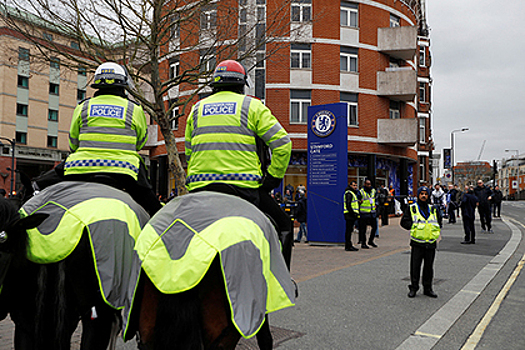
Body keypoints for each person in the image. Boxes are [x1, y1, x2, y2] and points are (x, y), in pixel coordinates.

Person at [184, 59, 293, 265]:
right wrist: (272, 178)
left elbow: (189, 151)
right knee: (284, 224)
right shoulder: (252, 106)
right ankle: (284, 283)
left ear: (214, 86)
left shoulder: (196, 109)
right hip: (243, 189)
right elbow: (283, 144)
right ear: (242, 85)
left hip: (200, 188)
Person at [35, 62, 162, 215]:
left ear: (97, 84)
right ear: (123, 84)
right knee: (152, 206)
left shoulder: (83, 106)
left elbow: (73, 143)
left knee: (38, 185)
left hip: (81, 165)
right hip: (125, 169)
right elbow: (140, 142)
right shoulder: (134, 108)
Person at [400, 186, 442, 298]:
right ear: (418, 195)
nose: (424, 196)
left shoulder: (433, 208)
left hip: (431, 243)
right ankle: (413, 288)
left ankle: (428, 289)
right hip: (417, 243)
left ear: (428, 196)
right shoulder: (412, 208)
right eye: (421, 194)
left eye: (426, 194)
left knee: (429, 267)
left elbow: (439, 222)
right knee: (415, 267)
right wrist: (414, 226)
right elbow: (404, 222)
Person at [358, 179, 378, 249]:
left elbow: (375, 198)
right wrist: (359, 202)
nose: (369, 185)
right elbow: (357, 200)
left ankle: (370, 241)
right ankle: (363, 243)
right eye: (367, 184)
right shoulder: (361, 192)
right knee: (363, 229)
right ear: (364, 184)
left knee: (375, 227)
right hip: (364, 213)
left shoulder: (373, 191)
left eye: (370, 184)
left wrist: (376, 205)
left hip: (372, 212)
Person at [343, 181, 360, 251]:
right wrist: (353, 213)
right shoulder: (349, 193)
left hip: (351, 214)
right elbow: (348, 204)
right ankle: (348, 246)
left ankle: (349, 245)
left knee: (350, 230)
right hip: (349, 214)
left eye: (356, 185)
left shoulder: (352, 193)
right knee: (349, 230)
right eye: (354, 185)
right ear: (350, 185)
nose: (355, 187)